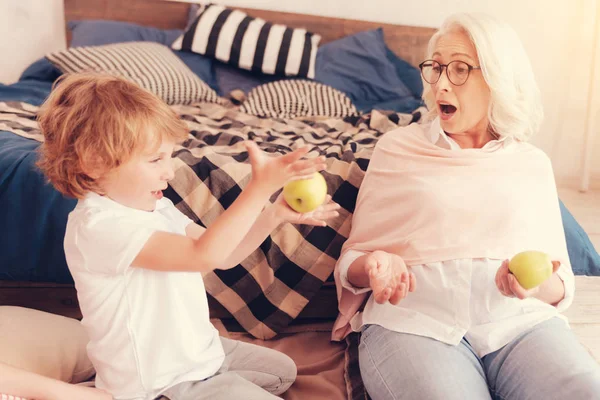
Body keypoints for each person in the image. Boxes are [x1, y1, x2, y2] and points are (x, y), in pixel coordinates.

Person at [332, 12, 600, 400]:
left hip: (519, 328)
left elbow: (560, 285)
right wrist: (372, 265)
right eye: (436, 68)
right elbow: (352, 262)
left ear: (497, 78)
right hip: (414, 325)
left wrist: (537, 285)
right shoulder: (398, 148)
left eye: (459, 70)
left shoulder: (531, 163)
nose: (441, 83)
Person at [35, 72, 340, 400]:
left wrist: (274, 214)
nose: (170, 171)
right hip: (163, 383)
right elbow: (201, 255)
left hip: (199, 352)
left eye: (170, 156)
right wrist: (258, 186)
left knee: (283, 372)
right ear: (94, 164)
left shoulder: (155, 206)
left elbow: (223, 254)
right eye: (155, 160)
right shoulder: (100, 227)